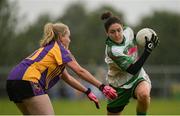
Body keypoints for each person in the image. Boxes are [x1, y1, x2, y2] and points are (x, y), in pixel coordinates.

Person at [6, 22, 117, 115]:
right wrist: (102, 87)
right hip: (29, 80)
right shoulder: (59, 48)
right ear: (60, 37)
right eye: (68, 36)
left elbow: (67, 77)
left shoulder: (49, 50)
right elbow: (79, 70)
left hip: (12, 82)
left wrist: (87, 91)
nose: (70, 40)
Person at [100, 11, 159, 115]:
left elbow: (136, 38)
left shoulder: (128, 31)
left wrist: (147, 39)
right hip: (119, 85)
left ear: (123, 28)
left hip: (137, 77)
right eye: (112, 32)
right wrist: (148, 50)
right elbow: (132, 69)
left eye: (119, 30)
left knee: (144, 95)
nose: (117, 34)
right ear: (107, 34)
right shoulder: (113, 50)